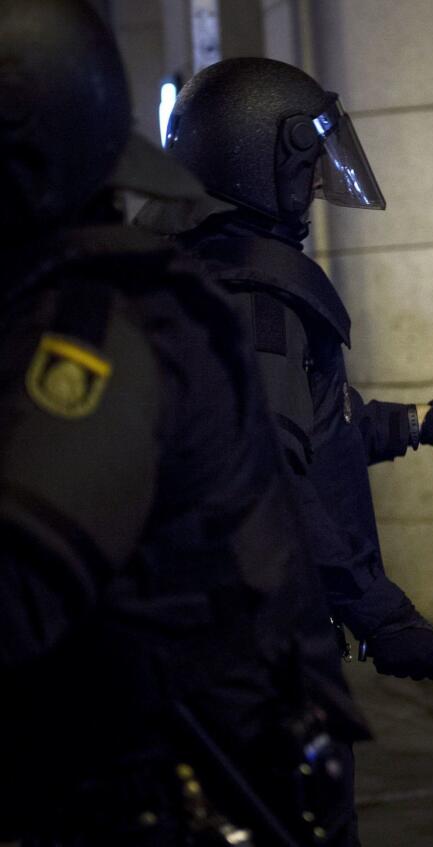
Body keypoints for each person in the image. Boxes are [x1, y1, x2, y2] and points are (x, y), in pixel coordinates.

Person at [0, 1, 369, 843]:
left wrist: (376, 606)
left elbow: (20, 582)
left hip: (178, 790)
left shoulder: (95, 326)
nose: (314, 184)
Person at [137, 57, 433, 682]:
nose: (316, 181)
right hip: (252, 643)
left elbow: (306, 425)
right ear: (258, 162)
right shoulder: (256, 299)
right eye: (305, 162)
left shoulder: (202, 270)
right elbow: (271, 476)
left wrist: (425, 423)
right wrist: (381, 613)